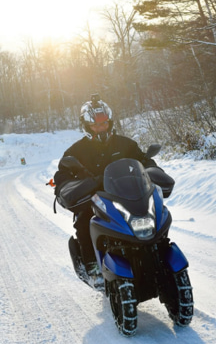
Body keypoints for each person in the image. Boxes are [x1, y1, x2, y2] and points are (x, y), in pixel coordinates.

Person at [53, 94, 168, 289]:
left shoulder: (124, 144)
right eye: (96, 125)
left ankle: (160, 253)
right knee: (84, 221)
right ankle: (92, 266)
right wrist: (74, 186)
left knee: (156, 213)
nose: (101, 128)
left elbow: (142, 160)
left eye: (104, 124)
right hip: (95, 200)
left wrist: (151, 169)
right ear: (86, 126)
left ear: (110, 122)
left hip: (127, 195)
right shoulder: (76, 151)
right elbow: (62, 175)